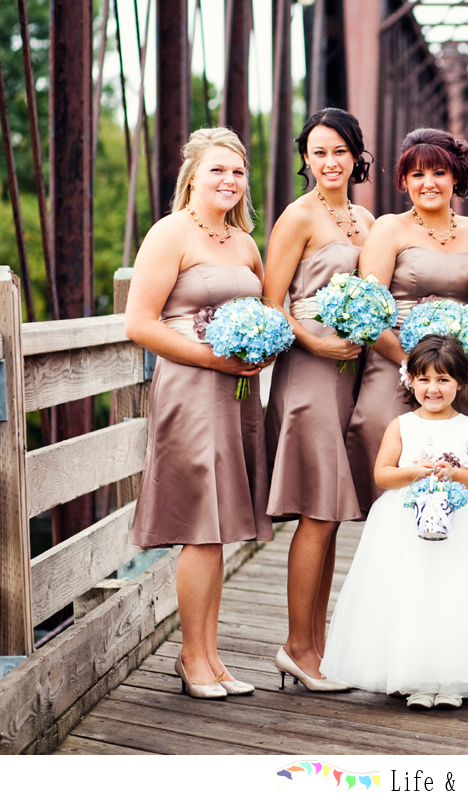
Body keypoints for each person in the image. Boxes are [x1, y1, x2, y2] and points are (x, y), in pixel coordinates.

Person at [124, 128, 272, 699]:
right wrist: (215, 359)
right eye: (217, 170)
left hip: (238, 393)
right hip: (191, 388)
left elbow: (265, 311)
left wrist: (264, 347)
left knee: (221, 526)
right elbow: (140, 323)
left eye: (237, 172)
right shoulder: (171, 233)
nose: (229, 181)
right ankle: (192, 659)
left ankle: (212, 658)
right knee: (201, 529)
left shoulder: (244, 242)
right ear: (192, 177)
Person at [321, 335, 468, 709]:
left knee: (453, 593)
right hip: (404, 526)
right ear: (410, 380)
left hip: (460, 526)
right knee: (412, 593)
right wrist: (415, 471)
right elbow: (383, 474)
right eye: (424, 379)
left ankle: (450, 680)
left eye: (443, 379)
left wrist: (456, 474)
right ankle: (416, 678)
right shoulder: (401, 425)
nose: (433, 388)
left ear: (460, 383)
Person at [263, 108, 376, 693]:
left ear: (356, 155)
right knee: (318, 511)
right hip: (309, 372)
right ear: (305, 159)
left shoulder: (365, 218)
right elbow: (271, 301)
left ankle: (317, 646)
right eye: (318, 152)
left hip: (350, 372)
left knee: (328, 515)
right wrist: (316, 342)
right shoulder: (298, 216)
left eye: (339, 151)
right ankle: (297, 646)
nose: (329, 162)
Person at [344, 129, 468, 513]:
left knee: (453, 482)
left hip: (454, 373)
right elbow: (367, 313)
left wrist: (448, 370)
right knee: (391, 492)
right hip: (394, 363)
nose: (429, 183)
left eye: (439, 173)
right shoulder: (389, 229)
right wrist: (412, 367)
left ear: (455, 176)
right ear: (404, 181)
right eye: (417, 174)